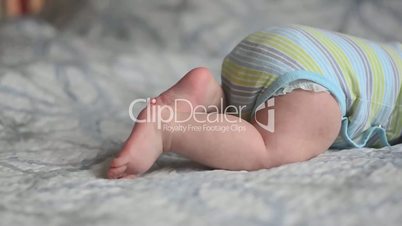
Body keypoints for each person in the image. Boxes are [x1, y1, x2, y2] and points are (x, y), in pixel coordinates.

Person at [108, 25, 402, 179]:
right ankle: (169, 129)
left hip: (272, 46)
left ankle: (210, 96)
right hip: (310, 73)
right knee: (269, 147)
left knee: (246, 116)